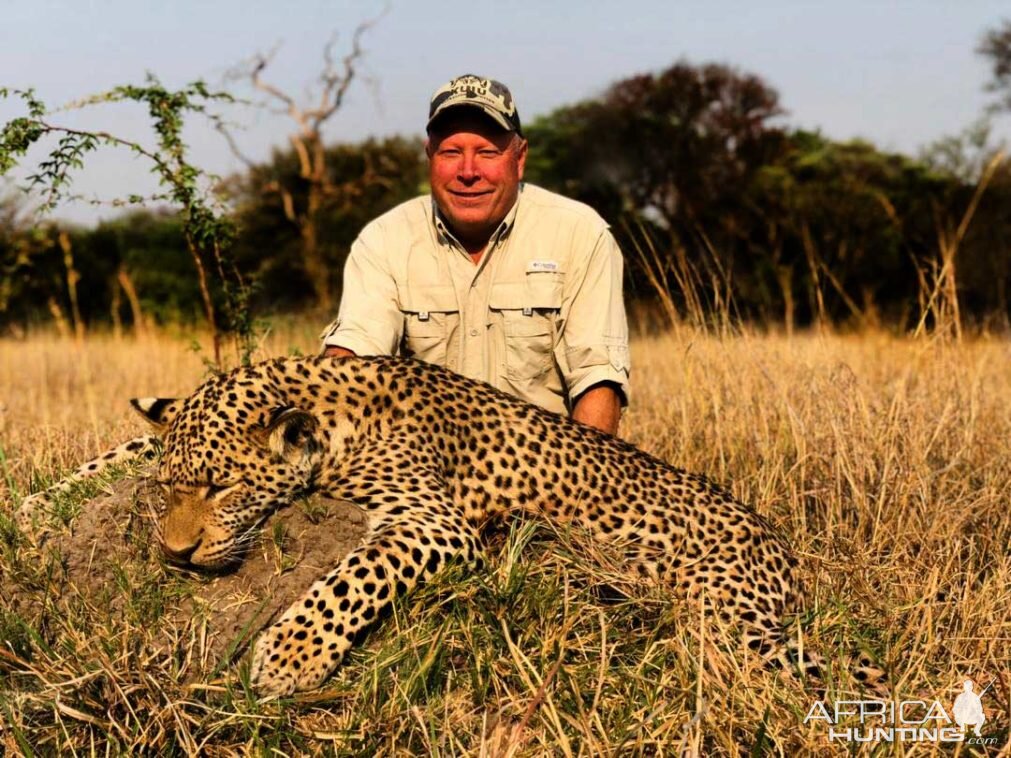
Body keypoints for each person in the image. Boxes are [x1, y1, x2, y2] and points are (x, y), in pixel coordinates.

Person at [321, 74, 630, 435]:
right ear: (429, 157)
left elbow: (598, 379)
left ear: (519, 158)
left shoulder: (580, 234)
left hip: (544, 470)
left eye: (487, 152)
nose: (468, 172)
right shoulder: (384, 240)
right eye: (451, 152)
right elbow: (350, 364)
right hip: (421, 472)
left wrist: (580, 486)